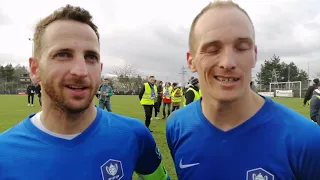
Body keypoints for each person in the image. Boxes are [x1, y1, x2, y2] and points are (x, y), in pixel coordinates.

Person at [0, 5, 169, 180]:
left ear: (100, 68)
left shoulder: (134, 135)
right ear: (35, 69)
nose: (81, 71)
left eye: (91, 57)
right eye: (63, 54)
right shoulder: (5, 152)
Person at [166, 1, 320, 179]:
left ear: (254, 55)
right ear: (191, 61)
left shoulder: (308, 139)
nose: (228, 63)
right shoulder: (177, 126)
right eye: (213, 49)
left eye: (241, 48)